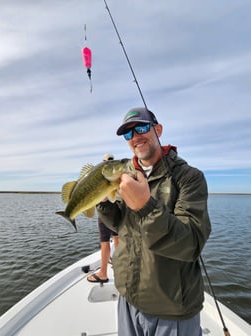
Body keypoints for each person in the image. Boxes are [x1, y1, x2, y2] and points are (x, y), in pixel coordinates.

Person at [96, 107, 211, 336]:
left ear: (158, 130)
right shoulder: (126, 177)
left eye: (141, 128)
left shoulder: (189, 178)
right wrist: (101, 201)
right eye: (128, 134)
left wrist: (145, 206)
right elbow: (119, 225)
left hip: (171, 309)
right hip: (128, 297)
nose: (135, 137)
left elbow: (191, 244)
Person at [87, 153, 119, 283]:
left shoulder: (103, 177)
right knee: (117, 240)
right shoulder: (119, 176)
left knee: (105, 242)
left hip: (105, 213)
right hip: (117, 213)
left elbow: (103, 197)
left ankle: (103, 273)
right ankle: (119, 265)